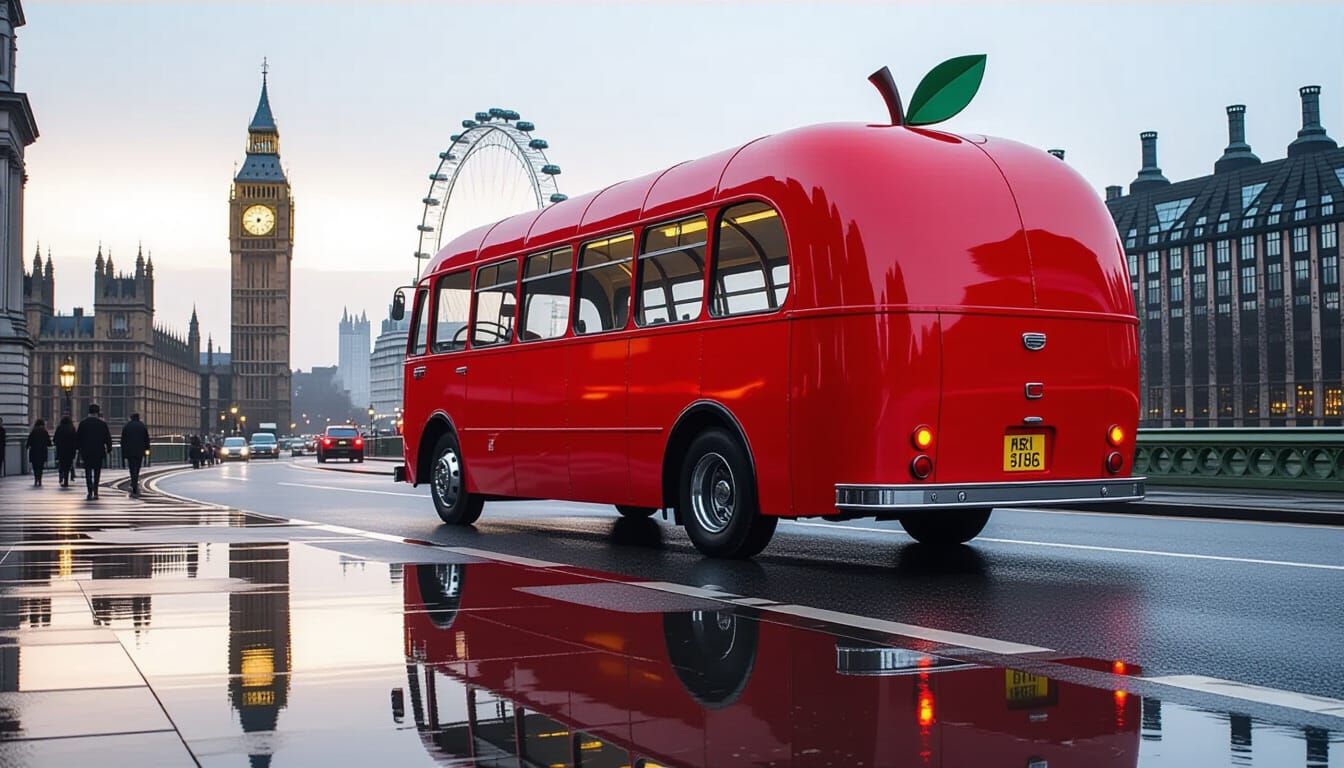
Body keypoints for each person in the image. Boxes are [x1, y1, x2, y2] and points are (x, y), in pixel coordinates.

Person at [75, 403, 112, 500]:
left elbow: (78, 438)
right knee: (97, 471)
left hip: (86, 451)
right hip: (98, 451)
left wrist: (78, 449)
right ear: (98, 412)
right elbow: (107, 438)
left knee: (88, 471)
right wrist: (109, 448)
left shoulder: (83, 423)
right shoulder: (102, 424)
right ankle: (96, 490)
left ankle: (89, 490)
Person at [120, 413, 150, 498]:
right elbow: (146, 439)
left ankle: (133, 482)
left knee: (131, 467)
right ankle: (134, 482)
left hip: (129, 451)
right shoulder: (142, 426)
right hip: (139, 451)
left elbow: (123, 440)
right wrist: (147, 449)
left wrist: (124, 452)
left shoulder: (127, 426)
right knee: (137, 467)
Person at [53, 415, 77, 488]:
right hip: (70, 450)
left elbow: (55, 439)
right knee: (67, 466)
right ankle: (66, 481)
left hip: (61, 450)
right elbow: (75, 440)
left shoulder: (59, 428)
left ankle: (61, 477)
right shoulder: (72, 428)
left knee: (61, 464)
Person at [26, 419, 51, 487]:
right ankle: (40, 479)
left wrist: (27, 446)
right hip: (42, 451)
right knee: (40, 466)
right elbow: (49, 443)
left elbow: (29, 441)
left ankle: (36, 478)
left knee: (35, 466)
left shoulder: (33, 431)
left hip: (34, 451)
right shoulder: (45, 432)